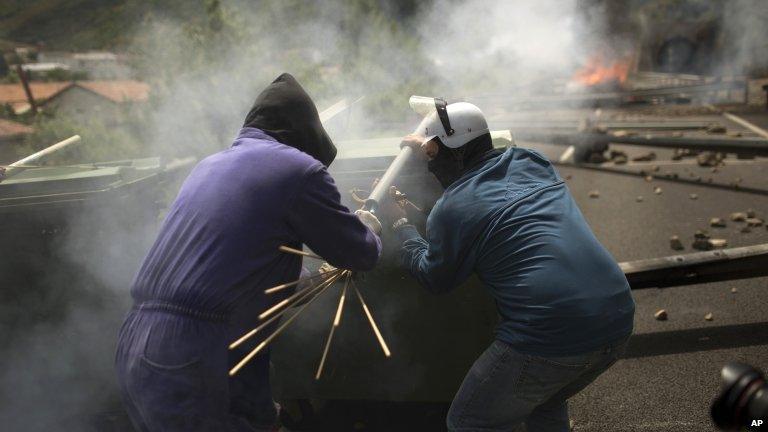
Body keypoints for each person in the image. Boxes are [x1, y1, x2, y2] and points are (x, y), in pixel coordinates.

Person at [115, 73, 382, 432]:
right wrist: (370, 226)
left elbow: (245, 281)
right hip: (194, 354)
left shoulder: (209, 166)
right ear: (305, 135)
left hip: (138, 344)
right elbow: (360, 253)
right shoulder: (299, 169)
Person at [391, 100, 635, 432]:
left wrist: (402, 228)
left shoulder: (453, 208)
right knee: (544, 402)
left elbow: (434, 277)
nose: (430, 165)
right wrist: (432, 145)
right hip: (618, 316)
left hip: (550, 333)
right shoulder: (532, 161)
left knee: (469, 421)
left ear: (450, 152)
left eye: (433, 156)